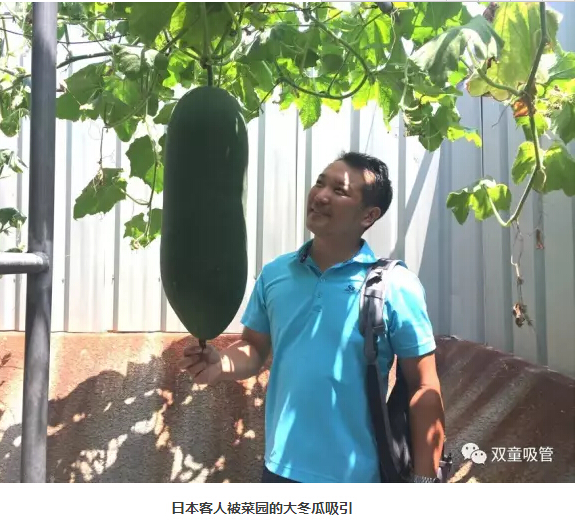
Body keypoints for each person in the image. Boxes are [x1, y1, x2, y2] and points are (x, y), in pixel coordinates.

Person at [179, 151, 445, 483]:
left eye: (339, 190)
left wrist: (424, 482)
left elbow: (424, 385)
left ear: (368, 215)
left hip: (357, 477)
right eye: (320, 183)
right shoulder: (276, 274)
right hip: (279, 470)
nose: (320, 195)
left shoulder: (396, 287)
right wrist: (222, 364)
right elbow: (255, 348)